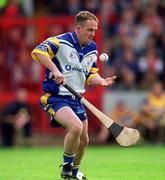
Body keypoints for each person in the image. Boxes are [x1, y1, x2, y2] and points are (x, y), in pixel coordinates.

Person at [31, 11, 116, 180]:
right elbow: (38, 52)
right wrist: (55, 70)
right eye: (90, 30)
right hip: (55, 97)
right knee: (75, 127)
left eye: (95, 30)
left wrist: (101, 81)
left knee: (84, 140)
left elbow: (90, 74)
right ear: (78, 28)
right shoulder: (60, 41)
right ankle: (67, 168)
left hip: (76, 99)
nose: (93, 34)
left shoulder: (92, 48)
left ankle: (74, 173)